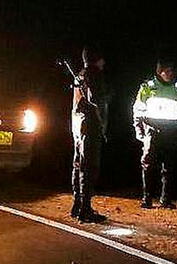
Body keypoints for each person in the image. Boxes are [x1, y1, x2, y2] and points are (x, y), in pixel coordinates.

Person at [132, 60, 177, 209]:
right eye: (167, 71)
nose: (170, 74)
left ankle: (166, 200)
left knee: (169, 167)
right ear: (160, 72)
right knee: (148, 165)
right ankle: (147, 199)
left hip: (171, 131)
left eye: (172, 71)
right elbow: (138, 110)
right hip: (152, 130)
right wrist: (139, 131)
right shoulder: (147, 87)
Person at [70, 47, 109, 223]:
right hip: (90, 124)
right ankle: (85, 209)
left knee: (78, 164)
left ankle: (77, 204)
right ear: (97, 59)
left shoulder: (80, 74)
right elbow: (95, 99)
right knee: (89, 166)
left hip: (77, 123)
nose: (104, 63)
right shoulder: (93, 73)